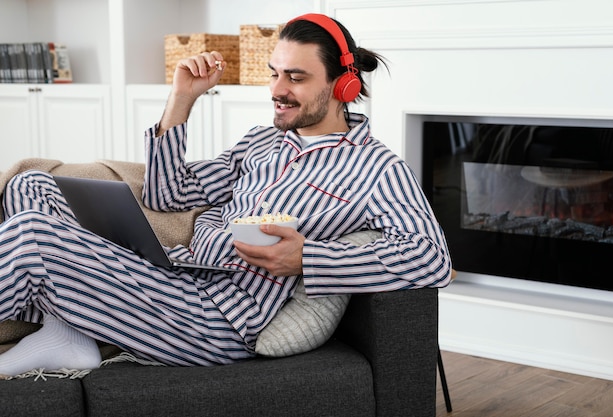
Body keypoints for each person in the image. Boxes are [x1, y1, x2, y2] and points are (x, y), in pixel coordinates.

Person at [0, 13, 452, 377]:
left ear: (343, 85)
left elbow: (432, 257)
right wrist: (181, 101)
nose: (277, 90)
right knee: (30, 185)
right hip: (175, 276)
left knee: (31, 235)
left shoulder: (377, 168)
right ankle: (68, 334)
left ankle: (69, 331)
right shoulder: (261, 142)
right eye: (275, 74)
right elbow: (167, 194)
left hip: (218, 319)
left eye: (295, 77)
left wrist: (308, 260)